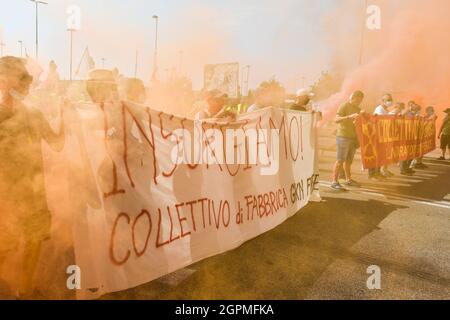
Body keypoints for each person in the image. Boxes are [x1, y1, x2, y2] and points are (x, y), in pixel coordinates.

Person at [0, 56, 65, 297]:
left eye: (25, 85)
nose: (23, 90)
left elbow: (57, 143)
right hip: (5, 195)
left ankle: (24, 290)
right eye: (18, 84)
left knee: (33, 241)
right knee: (4, 246)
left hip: (34, 193)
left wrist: (67, 118)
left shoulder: (34, 114)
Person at [331, 90, 365, 190]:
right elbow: (336, 119)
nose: (359, 102)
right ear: (352, 97)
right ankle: (334, 181)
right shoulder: (344, 105)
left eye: (360, 100)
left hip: (353, 137)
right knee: (340, 160)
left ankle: (348, 180)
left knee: (349, 161)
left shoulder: (358, 109)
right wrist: (349, 117)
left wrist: (363, 116)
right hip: (343, 136)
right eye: (357, 99)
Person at [369, 94, 394, 179]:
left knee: (381, 155)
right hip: (376, 135)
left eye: (391, 99)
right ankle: (373, 174)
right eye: (388, 100)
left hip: (383, 136)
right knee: (376, 155)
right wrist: (392, 114)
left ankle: (378, 172)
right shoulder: (379, 109)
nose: (390, 101)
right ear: (382, 101)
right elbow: (382, 119)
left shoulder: (386, 109)